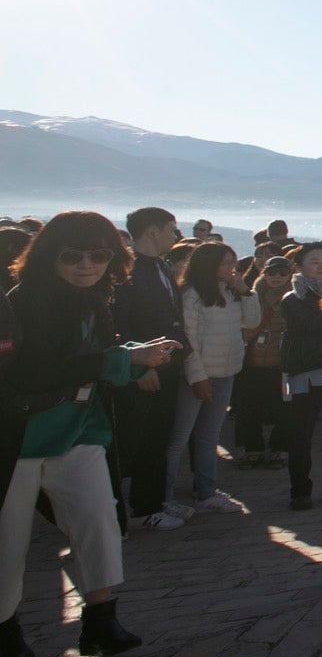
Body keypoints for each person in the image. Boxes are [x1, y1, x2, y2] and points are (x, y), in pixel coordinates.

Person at [1, 211, 179, 657]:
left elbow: (91, 358)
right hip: (18, 437)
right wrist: (121, 359)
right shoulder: (24, 301)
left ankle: (101, 620)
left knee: (99, 520)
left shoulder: (96, 298)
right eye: (73, 255)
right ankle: (5, 632)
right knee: (8, 540)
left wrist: (130, 359)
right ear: (48, 256)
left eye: (98, 255)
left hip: (77, 430)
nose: (87, 264)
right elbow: (33, 372)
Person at [111, 207, 190, 531]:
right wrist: (140, 369)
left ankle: (156, 500)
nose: (176, 234)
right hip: (143, 368)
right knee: (137, 440)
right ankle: (141, 509)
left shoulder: (161, 266)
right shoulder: (127, 271)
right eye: (172, 228)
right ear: (152, 231)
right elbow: (120, 324)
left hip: (167, 365)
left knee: (158, 435)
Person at [169, 241, 260, 513]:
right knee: (179, 438)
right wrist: (197, 376)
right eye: (226, 264)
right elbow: (189, 340)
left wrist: (246, 292)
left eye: (233, 263)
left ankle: (206, 490)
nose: (233, 269)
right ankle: (163, 496)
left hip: (226, 371)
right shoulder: (192, 296)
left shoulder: (230, 293)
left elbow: (252, 322)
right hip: (197, 375)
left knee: (208, 436)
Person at [279, 244, 322, 511]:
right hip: (305, 370)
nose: (321, 265)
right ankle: (300, 490)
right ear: (300, 266)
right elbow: (311, 327)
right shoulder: (292, 299)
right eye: (314, 261)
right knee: (301, 435)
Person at [235, 253, 292, 468]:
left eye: (282, 273)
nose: (276, 277)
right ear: (263, 273)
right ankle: (253, 448)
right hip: (252, 361)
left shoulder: (292, 299)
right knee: (249, 409)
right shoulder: (251, 296)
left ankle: (280, 448)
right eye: (271, 272)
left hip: (281, 362)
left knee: (282, 409)